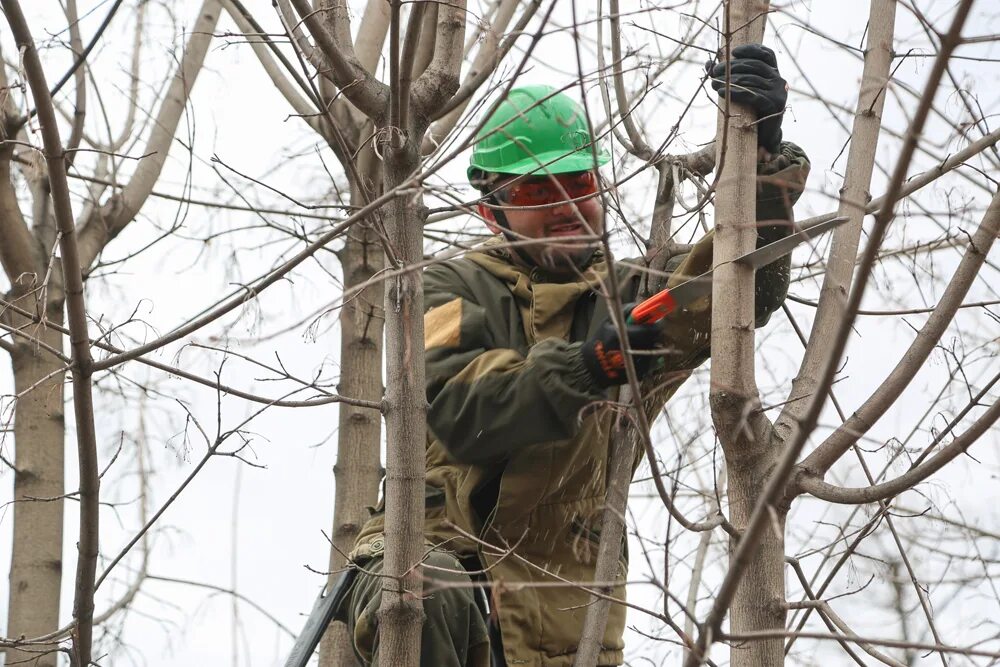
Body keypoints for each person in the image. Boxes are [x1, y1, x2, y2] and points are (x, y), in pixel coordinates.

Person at [341, 44, 810, 666]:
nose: (565, 206)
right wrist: (593, 366)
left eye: (579, 183)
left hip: (561, 610)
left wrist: (764, 166)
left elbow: (735, 296)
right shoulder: (445, 288)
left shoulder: (634, 290)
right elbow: (463, 407)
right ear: (491, 212)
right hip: (436, 559)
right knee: (427, 591)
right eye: (538, 192)